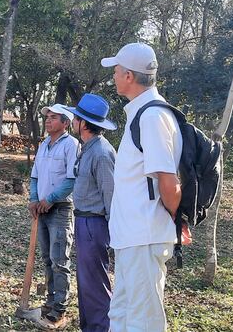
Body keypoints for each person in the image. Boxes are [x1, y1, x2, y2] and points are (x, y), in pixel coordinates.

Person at [101, 42, 182, 332]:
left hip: (143, 235)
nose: (113, 76)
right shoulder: (141, 114)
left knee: (142, 322)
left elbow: (169, 183)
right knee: (121, 315)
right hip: (130, 237)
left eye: (117, 70)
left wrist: (173, 218)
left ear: (129, 77)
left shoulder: (152, 117)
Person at [66, 94, 117, 332]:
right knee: (86, 282)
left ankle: (100, 328)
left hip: (94, 224)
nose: (72, 122)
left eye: (75, 118)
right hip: (83, 221)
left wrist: (113, 234)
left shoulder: (102, 153)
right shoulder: (87, 148)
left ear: (84, 124)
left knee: (95, 283)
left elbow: (111, 197)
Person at [28, 103, 79, 325]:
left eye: (54, 117)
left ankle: (59, 308)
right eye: (47, 117)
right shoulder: (43, 145)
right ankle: (49, 301)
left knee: (60, 260)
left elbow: (71, 180)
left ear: (65, 123)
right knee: (47, 259)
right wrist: (33, 199)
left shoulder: (71, 145)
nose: (48, 121)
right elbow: (35, 176)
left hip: (60, 209)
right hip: (41, 209)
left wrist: (50, 199)